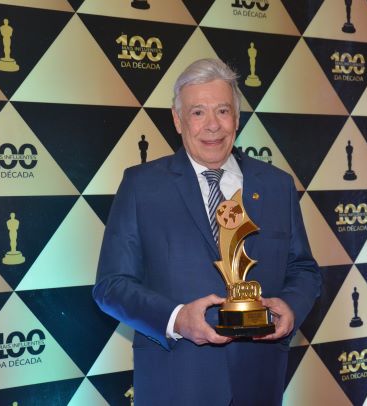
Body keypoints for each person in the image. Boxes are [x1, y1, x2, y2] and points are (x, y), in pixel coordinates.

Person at [93, 58, 321, 405]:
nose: (213, 125)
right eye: (198, 112)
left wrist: (290, 308)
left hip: (258, 384)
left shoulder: (278, 185)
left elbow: (304, 269)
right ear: (177, 120)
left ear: (237, 118)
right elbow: (111, 286)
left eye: (223, 111)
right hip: (176, 384)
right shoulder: (142, 186)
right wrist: (177, 319)